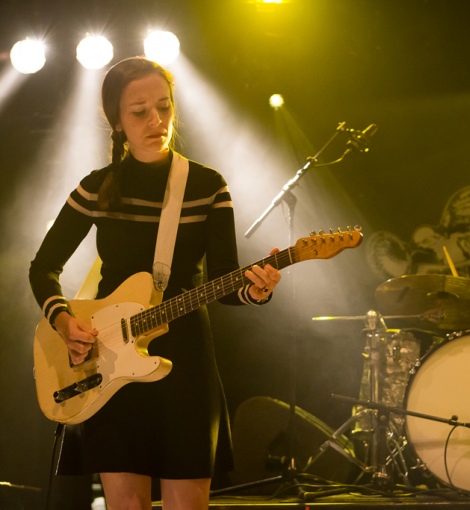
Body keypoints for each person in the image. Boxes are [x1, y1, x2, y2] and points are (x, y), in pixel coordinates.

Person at [28, 56, 281, 510]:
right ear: (118, 122)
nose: (156, 120)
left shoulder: (207, 186)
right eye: (139, 111)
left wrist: (254, 289)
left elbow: (227, 281)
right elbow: (42, 267)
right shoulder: (96, 187)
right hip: (109, 359)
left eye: (163, 107)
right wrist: (65, 323)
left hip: (185, 361)